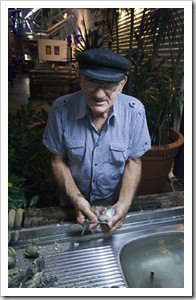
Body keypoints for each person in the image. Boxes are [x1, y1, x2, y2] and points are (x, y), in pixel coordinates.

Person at [42, 48, 151, 233]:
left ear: (122, 83)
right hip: (71, 203)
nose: (99, 94)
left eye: (109, 84)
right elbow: (57, 159)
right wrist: (76, 198)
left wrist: (124, 203)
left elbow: (134, 161)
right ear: (80, 78)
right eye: (91, 81)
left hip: (113, 205)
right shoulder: (61, 109)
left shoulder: (135, 112)